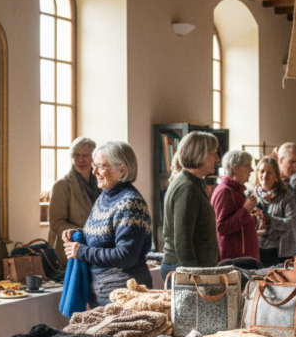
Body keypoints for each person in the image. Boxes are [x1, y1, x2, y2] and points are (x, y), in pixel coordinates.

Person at [62, 141, 152, 307]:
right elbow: (106, 236)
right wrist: (79, 235)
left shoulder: (130, 203)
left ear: (122, 170)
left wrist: (81, 251)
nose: (94, 171)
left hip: (124, 297)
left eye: (101, 166)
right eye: (94, 165)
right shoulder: (105, 196)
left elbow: (126, 255)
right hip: (103, 294)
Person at [161, 131, 220, 282]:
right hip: (184, 270)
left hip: (189, 269)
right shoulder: (187, 187)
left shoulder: (192, 183)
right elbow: (182, 240)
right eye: (213, 153)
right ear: (199, 154)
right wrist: (194, 279)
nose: (217, 159)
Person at [49, 137, 98, 264]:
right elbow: (56, 223)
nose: (80, 160)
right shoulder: (61, 186)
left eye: (85, 155)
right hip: (71, 254)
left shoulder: (101, 183)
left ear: (94, 158)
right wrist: (84, 234)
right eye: (76, 155)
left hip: (96, 252)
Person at [212, 150, 259, 262]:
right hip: (234, 261)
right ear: (236, 168)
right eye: (248, 166)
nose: (252, 170)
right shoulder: (224, 191)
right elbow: (221, 228)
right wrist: (246, 210)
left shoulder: (236, 190)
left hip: (242, 258)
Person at [253, 155, 296, 267]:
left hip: (280, 252)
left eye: (269, 172)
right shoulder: (251, 195)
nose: (264, 175)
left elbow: (293, 223)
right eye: (262, 171)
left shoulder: (286, 196)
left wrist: (270, 221)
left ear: (276, 177)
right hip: (257, 249)